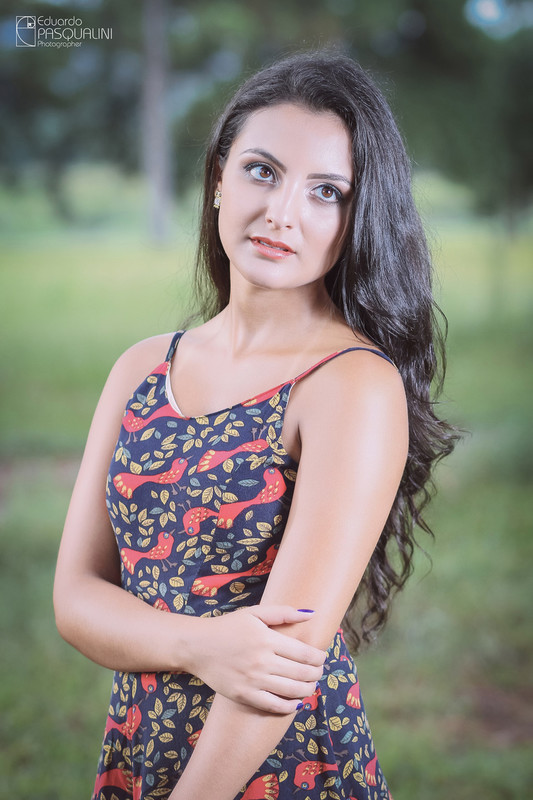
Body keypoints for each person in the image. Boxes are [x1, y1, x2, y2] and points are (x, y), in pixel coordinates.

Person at [54, 50, 457, 800]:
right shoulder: (142, 369)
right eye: (262, 171)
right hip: (141, 748)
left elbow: (280, 668)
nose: (282, 213)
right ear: (217, 179)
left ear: (356, 217)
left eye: (326, 191)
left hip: (273, 765)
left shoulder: (350, 384)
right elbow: (75, 597)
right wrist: (200, 644)